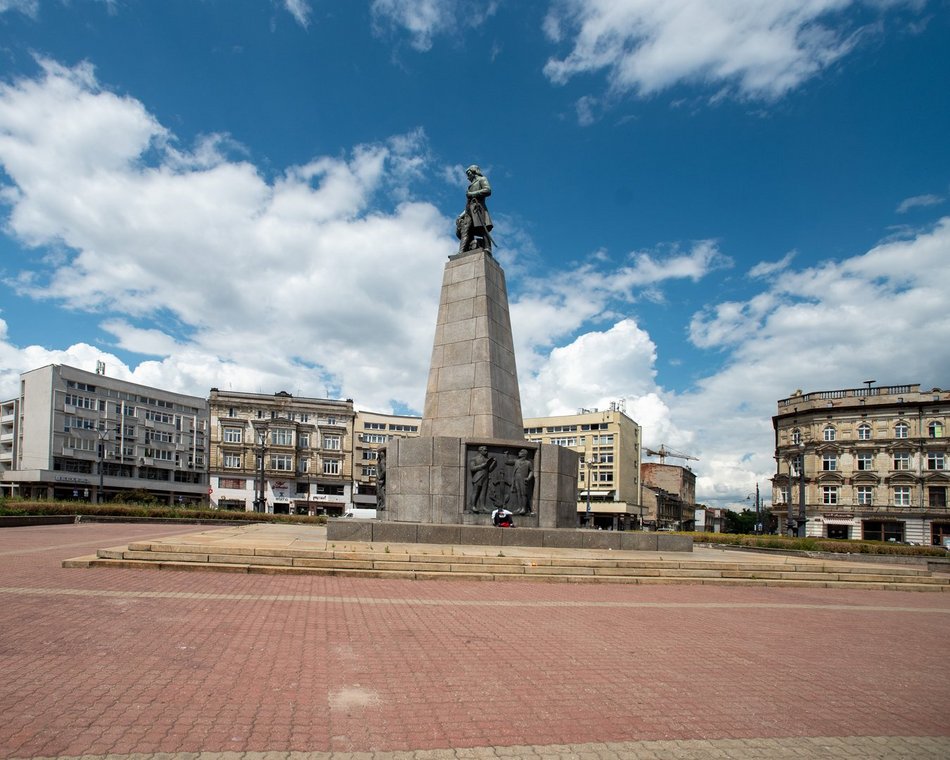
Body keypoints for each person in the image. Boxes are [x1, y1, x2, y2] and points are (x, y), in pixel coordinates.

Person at [456, 165, 493, 254]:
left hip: (478, 208)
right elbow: (468, 204)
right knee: (465, 230)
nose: (467, 177)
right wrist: (461, 215)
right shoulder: (470, 186)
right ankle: (461, 251)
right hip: (469, 211)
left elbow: (488, 190)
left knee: (482, 229)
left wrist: (472, 194)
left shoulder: (482, 179)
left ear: (474, 171)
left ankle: (487, 248)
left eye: (468, 173)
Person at [507, 449, 534, 515]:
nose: (519, 453)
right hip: (516, 478)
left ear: (524, 454)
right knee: (518, 493)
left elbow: (531, 471)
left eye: (520, 452)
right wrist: (506, 455)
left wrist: (528, 478)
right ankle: (519, 507)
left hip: (523, 479)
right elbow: (508, 461)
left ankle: (524, 508)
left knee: (523, 493)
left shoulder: (528, 463)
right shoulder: (517, 461)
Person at [468, 446, 493, 513]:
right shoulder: (474, 459)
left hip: (485, 477)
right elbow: (472, 468)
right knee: (475, 491)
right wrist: (482, 466)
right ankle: (473, 506)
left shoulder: (486, 459)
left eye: (486, 450)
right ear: (480, 450)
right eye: (485, 450)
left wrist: (493, 463)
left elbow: (489, 469)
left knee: (483, 492)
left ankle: (482, 506)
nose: (486, 452)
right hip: (478, 477)